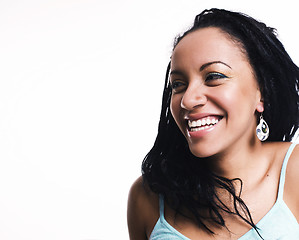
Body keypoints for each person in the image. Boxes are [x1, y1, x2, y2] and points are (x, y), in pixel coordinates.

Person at [127, 8, 299, 240]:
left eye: (213, 77)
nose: (187, 99)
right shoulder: (147, 196)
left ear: (262, 93)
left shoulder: (295, 172)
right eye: (178, 84)